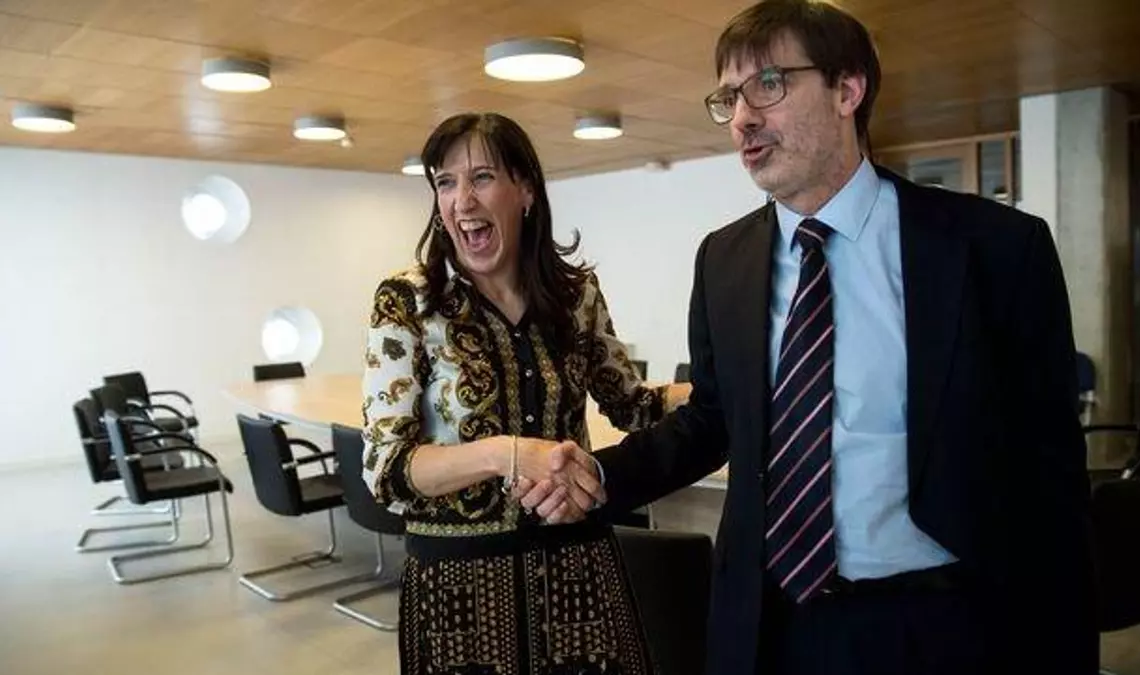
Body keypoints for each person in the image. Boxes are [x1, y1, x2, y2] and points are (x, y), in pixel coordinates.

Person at [513, 1, 1098, 674]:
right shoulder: (724, 259)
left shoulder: (995, 248)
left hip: (940, 626)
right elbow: (712, 419)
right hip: (771, 626)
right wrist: (603, 475)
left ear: (848, 90)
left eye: (768, 84)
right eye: (729, 97)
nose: (742, 118)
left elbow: (1051, 473)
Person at [360, 111, 690, 675]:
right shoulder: (407, 301)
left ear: (526, 190)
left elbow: (633, 405)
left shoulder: (576, 295)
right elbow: (386, 470)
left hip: (576, 571)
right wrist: (507, 453)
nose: (462, 200)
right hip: (459, 588)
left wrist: (724, 385)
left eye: (482, 177)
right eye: (446, 182)